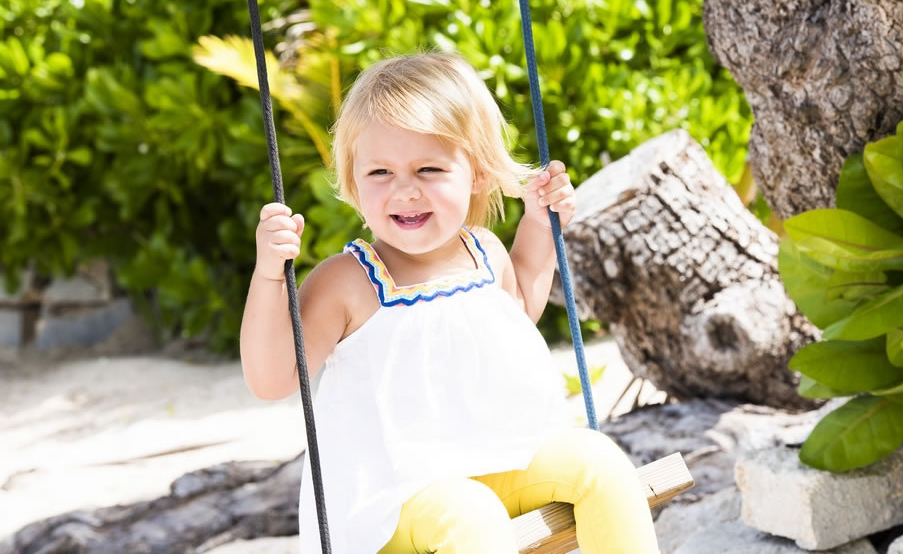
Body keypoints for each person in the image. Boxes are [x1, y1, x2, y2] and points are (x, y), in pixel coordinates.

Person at [239, 52, 660, 554]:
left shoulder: (484, 252)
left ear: (478, 173)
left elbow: (519, 308)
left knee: (601, 463)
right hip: (394, 501)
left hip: (492, 465)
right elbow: (271, 379)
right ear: (353, 179)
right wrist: (269, 275)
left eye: (428, 168)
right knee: (471, 513)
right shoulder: (348, 281)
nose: (405, 191)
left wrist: (539, 224)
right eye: (380, 173)